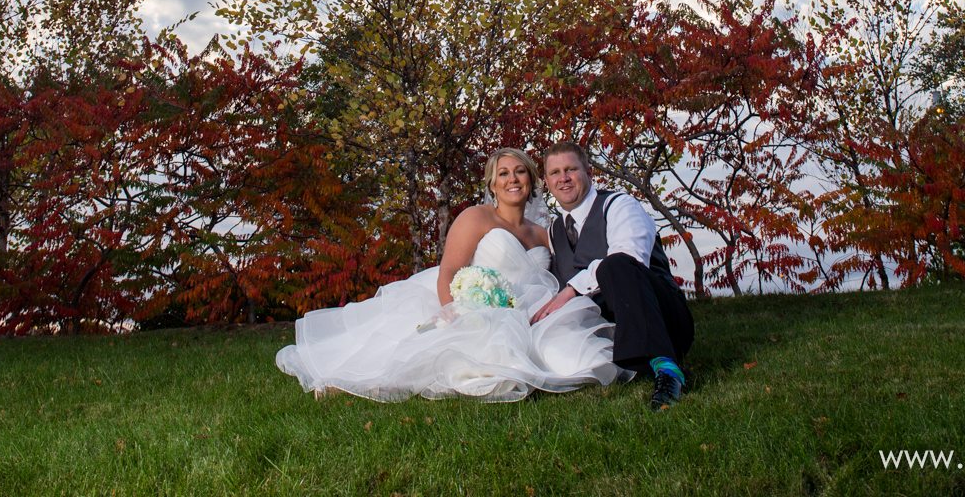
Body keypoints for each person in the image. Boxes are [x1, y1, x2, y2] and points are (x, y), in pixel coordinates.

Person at [275, 148, 619, 401]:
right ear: (492, 184)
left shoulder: (545, 233)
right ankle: (352, 381)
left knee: (576, 357)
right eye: (503, 174)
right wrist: (454, 312)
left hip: (526, 309)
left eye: (520, 172)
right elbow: (450, 271)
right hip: (469, 304)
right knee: (426, 355)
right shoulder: (476, 218)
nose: (512, 179)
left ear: (531, 181)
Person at [530, 141, 695, 410]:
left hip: (666, 320)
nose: (564, 178)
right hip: (609, 329)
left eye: (571, 169)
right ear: (547, 181)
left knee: (615, 265)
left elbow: (630, 258)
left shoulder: (619, 205)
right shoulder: (554, 231)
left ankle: (668, 370)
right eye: (555, 173)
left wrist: (571, 290)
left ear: (589, 172)